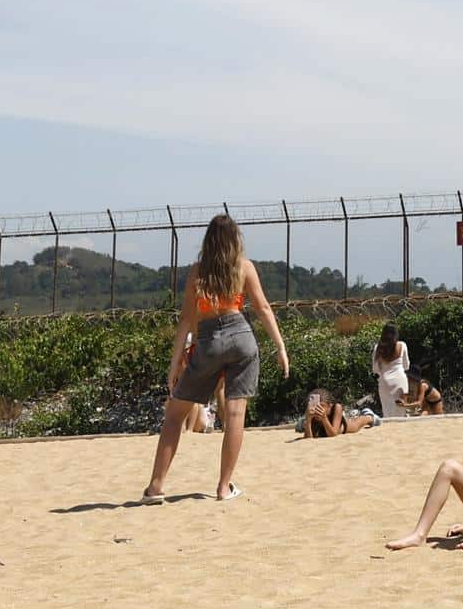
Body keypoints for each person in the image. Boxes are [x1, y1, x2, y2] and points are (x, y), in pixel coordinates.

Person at [143, 214, 290, 503]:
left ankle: (156, 486)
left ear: (208, 241)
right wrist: (280, 347)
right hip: (242, 337)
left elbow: (187, 318)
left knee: (175, 415)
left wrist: (175, 363)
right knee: (235, 415)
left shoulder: (198, 271)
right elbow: (263, 308)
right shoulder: (244, 268)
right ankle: (224, 487)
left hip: (210, 340)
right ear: (236, 240)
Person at [303, 388, 381, 436]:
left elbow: (333, 434)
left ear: (330, 405)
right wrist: (308, 420)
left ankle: (369, 415)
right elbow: (308, 438)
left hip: (343, 427)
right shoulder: (311, 412)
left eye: (322, 405)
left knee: (357, 424)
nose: (318, 408)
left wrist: (324, 418)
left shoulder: (337, 407)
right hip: (323, 429)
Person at [372, 324, 410, 418]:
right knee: (400, 410)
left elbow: (375, 369)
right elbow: (406, 366)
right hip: (400, 381)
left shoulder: (378, 348)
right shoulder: (402, 345)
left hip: (384, 382)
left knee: (387, 411)